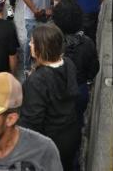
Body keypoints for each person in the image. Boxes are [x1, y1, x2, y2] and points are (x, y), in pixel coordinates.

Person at [19, 23, 80, 171]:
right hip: (71, 134)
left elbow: (31, 122)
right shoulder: (68, 63)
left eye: (33, 42)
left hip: (50, 143)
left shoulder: (37, 81)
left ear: (42, 48)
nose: (29, 44)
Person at [51, 0, 99, 128]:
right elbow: (93, 69)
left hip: (56, 90)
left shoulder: (52, 43)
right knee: (77, 120)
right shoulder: (87, 42)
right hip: (80, 89)